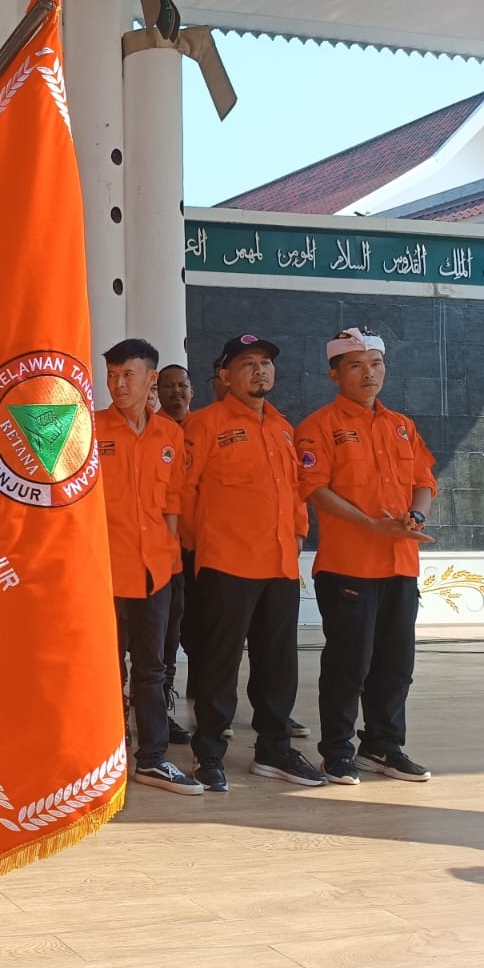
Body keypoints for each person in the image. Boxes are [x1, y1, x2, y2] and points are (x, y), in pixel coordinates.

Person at [295, 328, 437, 785]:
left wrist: (416, 514)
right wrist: (372, 524)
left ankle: (383, 745)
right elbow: (314, 489)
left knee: (396, 664)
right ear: (334, 373)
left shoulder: (401, 424)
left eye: (375, 363)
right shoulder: (319, 426)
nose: (368, 372)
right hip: (348, 565)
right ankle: (337, 750)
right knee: (348, 664)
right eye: (355, 365)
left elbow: (424, 480)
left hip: (400, 562)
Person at [182, 334, 321, 793]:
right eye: (247, 364)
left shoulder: (283, 427)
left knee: (278, 663)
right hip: (227, 563)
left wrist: (299, 534)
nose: (260, 371)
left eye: (265, 363)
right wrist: (199, 545)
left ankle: (274, 750)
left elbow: (295, 490)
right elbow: (182, 492)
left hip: (280, 564)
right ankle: (209, 754)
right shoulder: (204, 424)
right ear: (224, 375)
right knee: (218, 664)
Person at [96, 339, 200, 796]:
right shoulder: (91, 430)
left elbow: (173, 500)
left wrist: (171, 553)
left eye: (128, 375)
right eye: (112, 375)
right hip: (104, 571)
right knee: (105, 667)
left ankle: (152, 759)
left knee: (152, 668)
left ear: (150, 380)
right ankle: (106, 751)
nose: (119, 384)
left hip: (156, 569)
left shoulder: (169, 436)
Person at [154, 362, 195, 744]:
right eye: (169, 386)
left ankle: (193, 701)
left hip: (203, 550)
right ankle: (153, 714)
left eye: (183, 385)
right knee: (160, 639)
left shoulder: (203, 430)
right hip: (162, 553)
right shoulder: (152, 434)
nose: (177, 392)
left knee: (196, 634)